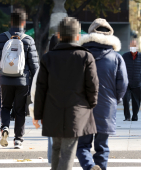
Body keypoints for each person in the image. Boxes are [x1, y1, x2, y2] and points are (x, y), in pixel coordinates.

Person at [34, 17, 99, 170]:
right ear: (77, 36)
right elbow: (93, 86)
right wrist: (90, 104)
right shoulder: (85, 57)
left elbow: (41, 88)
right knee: (68, 151)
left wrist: (38, 114)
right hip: (76, 111)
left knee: (56, 148)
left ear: (58, 35)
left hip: (52, 111)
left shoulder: (48, 58)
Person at [78, 18, 128, 170]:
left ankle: (89, 166)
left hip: (84, 107)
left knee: (82, 146)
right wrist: (114, 100)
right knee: (102, 147)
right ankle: (100, 167)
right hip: (106, 107)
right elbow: (123, 83)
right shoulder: (116, 57)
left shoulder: (80, 56)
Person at [0, 8, 39, 149]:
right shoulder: (28, 40)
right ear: (24, 22)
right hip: (22, 81)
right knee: (20, 109)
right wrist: (36, 84)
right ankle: (18, 140)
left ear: (11, 22)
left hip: (4, 80)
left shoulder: (2, 38)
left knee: (5, 106)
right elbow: (34, 66)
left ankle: (4, 128)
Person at [29, 34, 59, 164]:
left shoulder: (45, 63)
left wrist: (35, 113)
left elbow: (35, 91)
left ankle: (54, 164)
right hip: (70, 110)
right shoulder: (74, 61)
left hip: (49, 110)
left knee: (52, 141)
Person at [122, 40, 141, 121]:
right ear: (129, 46)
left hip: (137, 82)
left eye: (135, 45)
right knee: (125, 99)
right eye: (132, 45)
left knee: (136, 101)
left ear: (137, 47)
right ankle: (127, 116)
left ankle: (135, 115)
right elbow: (120, 67)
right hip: (126, 83)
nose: (133, 47)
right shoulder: (125, 56)